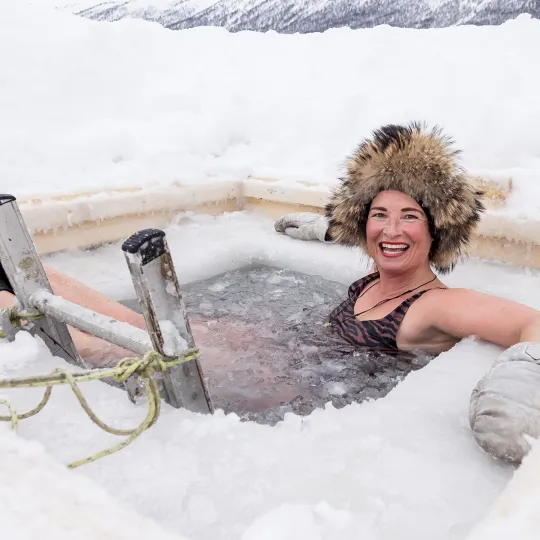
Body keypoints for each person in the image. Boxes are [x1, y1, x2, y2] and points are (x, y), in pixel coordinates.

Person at [273, 121, 540, 463]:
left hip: (318, 418)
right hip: (299, 374)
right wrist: (327, 230)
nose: (392, 230)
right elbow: (385, 240)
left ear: (436, 231)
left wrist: (520, 390)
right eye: (379, 214)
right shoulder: (380, 277)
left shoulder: (433, 305)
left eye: (410, 216)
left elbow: (531, 324)